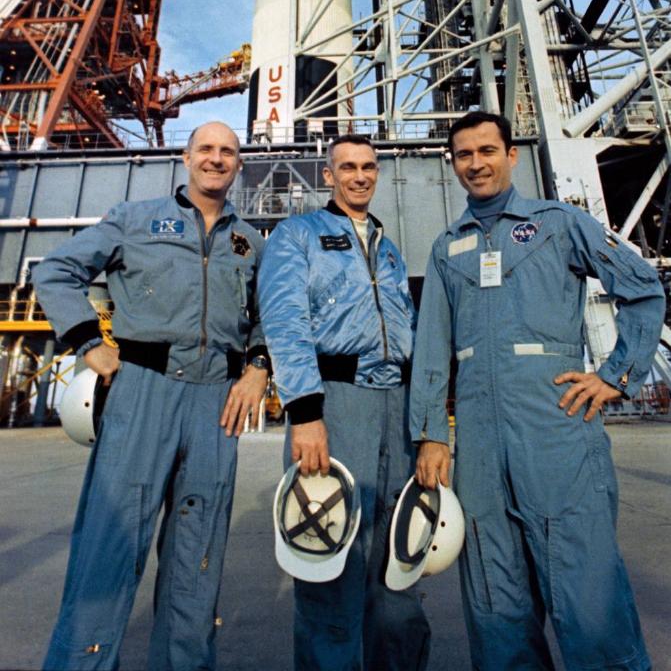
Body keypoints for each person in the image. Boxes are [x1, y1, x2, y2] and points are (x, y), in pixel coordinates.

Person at [411, 110, 665, 671]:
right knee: (495, 607)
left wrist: (616, 376)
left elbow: (644, 287)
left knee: (586, 597)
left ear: (511, 155)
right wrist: (431, 434)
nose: (475, 163)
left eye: (486, 151)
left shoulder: (559, 223)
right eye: (463, 155)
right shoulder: (445, 247)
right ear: (453, 165)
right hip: (478, 446)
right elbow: (431, 348)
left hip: (556, 431)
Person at [33, 122, 268, 671]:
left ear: (238, 163)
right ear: (186, 157)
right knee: (108, 552)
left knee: (197, 558)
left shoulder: (250, 242)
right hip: (144, 393)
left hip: (217, 405)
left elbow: (267, 317)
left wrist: (258, 367)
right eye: (206, 149)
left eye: (227, 152)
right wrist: (89, 342)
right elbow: (56, 271)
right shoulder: (134, 220)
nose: (216, 159)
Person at [258, 134, 431, 671]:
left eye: (368, 167)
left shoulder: (388, 245)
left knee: (400, 556)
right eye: (347, 167)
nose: (360, 176)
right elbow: (285, 321)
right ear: (328, 175)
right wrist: (306, 413)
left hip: (397, 406)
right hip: (335, 402)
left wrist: (426, 420)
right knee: (328, 550)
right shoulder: (298, 235)